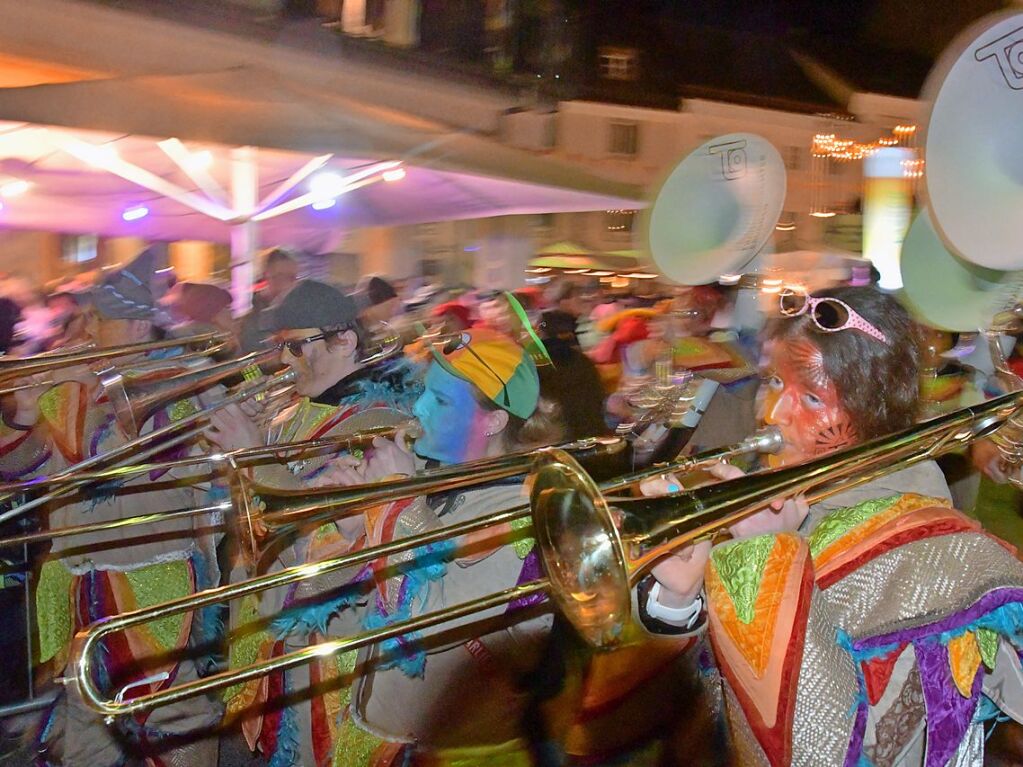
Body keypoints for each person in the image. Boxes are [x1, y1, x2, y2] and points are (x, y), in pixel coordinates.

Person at [640, 286, 1023, 766]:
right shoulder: (777, 499)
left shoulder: (932, 554)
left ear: (875, 406)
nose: (773, 414)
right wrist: (678, 602)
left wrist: (766, 562)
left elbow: (821, 750)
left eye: (812, 396)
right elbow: (711, 696)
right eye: (775, 384)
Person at [299, 328, 566, 766]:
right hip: (378, 730)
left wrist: (397, 499)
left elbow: (428, 627)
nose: (418, 408)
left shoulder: (520, 519)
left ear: (493, 421)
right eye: (425, 393)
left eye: (440, 402)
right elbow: (348, 609)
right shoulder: (433, 475)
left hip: (442, 752)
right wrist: (354, 530)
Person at [14, 250, 225, 767]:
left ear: (132, 325)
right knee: (86, 712)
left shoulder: (184, 381)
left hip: (152, 574)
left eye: (97, 319)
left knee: (172, 714)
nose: (84, 327)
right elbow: (25, 465)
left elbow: (172, 466)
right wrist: (20, 415)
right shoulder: (70, 384)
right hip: (78, 576)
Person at [207, 279, 421, 767]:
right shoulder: (296, 409)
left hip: (333, 648)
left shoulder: (380, 422)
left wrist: (255, 455)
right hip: (277, 628)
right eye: (281, 347)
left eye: (296, 346)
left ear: (343, 340)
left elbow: (327, 543)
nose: (285, 361)